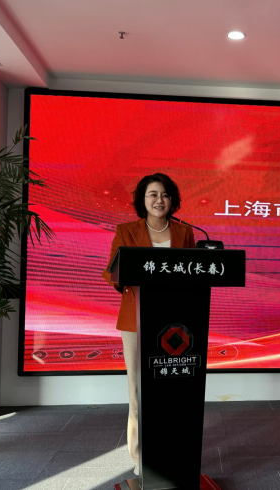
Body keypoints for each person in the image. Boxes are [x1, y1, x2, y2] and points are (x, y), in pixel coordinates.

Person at [102, 173, 195, 475]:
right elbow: (112, 273)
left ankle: (172, 451)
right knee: (138, 388)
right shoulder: (126, 231)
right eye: (153, 194)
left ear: (172, 200)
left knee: (173, 388)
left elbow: (195, 272)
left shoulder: (185, 233)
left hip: (177, 322)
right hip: (136, 319)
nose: (159, 200)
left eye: (165, 194)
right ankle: (140, 457)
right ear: (142, 200)